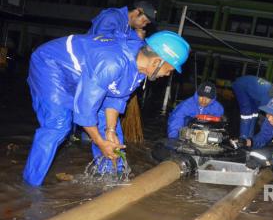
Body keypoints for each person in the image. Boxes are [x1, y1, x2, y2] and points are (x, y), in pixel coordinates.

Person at [23, 31, 190, 186]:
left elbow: (115, 97)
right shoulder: (111, 63)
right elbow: (85, 110)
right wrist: (99, 141)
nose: (168, 75)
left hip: (85, 73)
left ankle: (108, 177)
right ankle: (30, 184)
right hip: (51, 65)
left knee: (112, 131)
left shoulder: (138, 68)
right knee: (58, 126)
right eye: (169, 70)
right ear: (156, 62)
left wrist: (110, 131)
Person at [88, 1, 156, 40]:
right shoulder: (112, 16)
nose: (144, 25)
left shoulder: (128, 26)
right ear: (136, 12)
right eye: (144, 21)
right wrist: (133, 36)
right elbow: (99, 39)